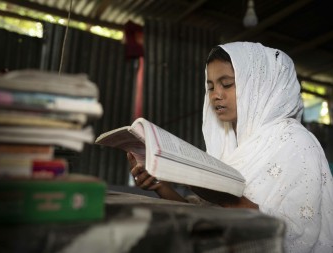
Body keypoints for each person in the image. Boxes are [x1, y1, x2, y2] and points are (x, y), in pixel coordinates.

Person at [128, 41, 333, 252]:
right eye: (210, 87)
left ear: (259, 85)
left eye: (226, 84)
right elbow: (206, 217)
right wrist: (160, 184)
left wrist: (227, 198)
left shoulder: (296, 143)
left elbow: (298, 235)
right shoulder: (228, 144)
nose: (216, 94)